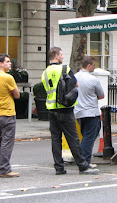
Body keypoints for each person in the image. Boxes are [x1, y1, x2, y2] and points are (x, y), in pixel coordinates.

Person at [42, 47, 99, 175]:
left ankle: (59, 167)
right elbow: (76, 84)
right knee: (73, 139)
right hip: (65, 108)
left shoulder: (45, 72)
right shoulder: (64, 69)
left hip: (51, 109)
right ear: (56, 56)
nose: (62, 56)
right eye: (61, 54)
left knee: (56, 139)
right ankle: (83, 166)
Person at [0, 54, 20, 178]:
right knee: (7, 142)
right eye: (7, 61)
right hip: (7, 112)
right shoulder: (8, 78)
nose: (10, 63)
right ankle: (5, 169)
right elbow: (17, 94)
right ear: (0, 63)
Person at [74, 56, 105, 165]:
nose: (94, 67)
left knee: (85, 135)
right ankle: (84, 161)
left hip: (78, 111)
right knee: (89, 136)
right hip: (91, 112)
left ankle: (83, 158)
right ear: (88, 65)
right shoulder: (93, 79)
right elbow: (101, 95)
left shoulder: (74, 77)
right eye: (93, 65)